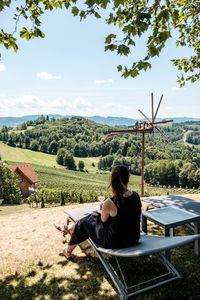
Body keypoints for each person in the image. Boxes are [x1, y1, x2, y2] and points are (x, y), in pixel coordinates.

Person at [54, 165, 141, 259]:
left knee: (84, 223)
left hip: (115, 242)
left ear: (112, 181)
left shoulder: (111, 202)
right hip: (133, 238)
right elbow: (128, 216)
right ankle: (66, 228)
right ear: (128, 179)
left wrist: (104, 209)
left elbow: (103, 220)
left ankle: (67, 250)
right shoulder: (136, 196)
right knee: (93, 216)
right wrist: (105, 209)